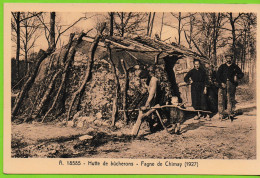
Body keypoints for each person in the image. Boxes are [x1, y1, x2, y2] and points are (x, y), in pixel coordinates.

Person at [216, 54, 244, 121]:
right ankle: (221, 114)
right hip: (223, 85)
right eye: (227, 58)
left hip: (231, 85)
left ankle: (230, 113)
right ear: (225, 59)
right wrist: (221, 83)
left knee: (230, 99)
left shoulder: (235, 66)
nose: (228, 60)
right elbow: (217, 76)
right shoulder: (222, 66)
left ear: (232, 59)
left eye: (230, 58)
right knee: (221, 99)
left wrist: (237, 76)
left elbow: (241, 74)